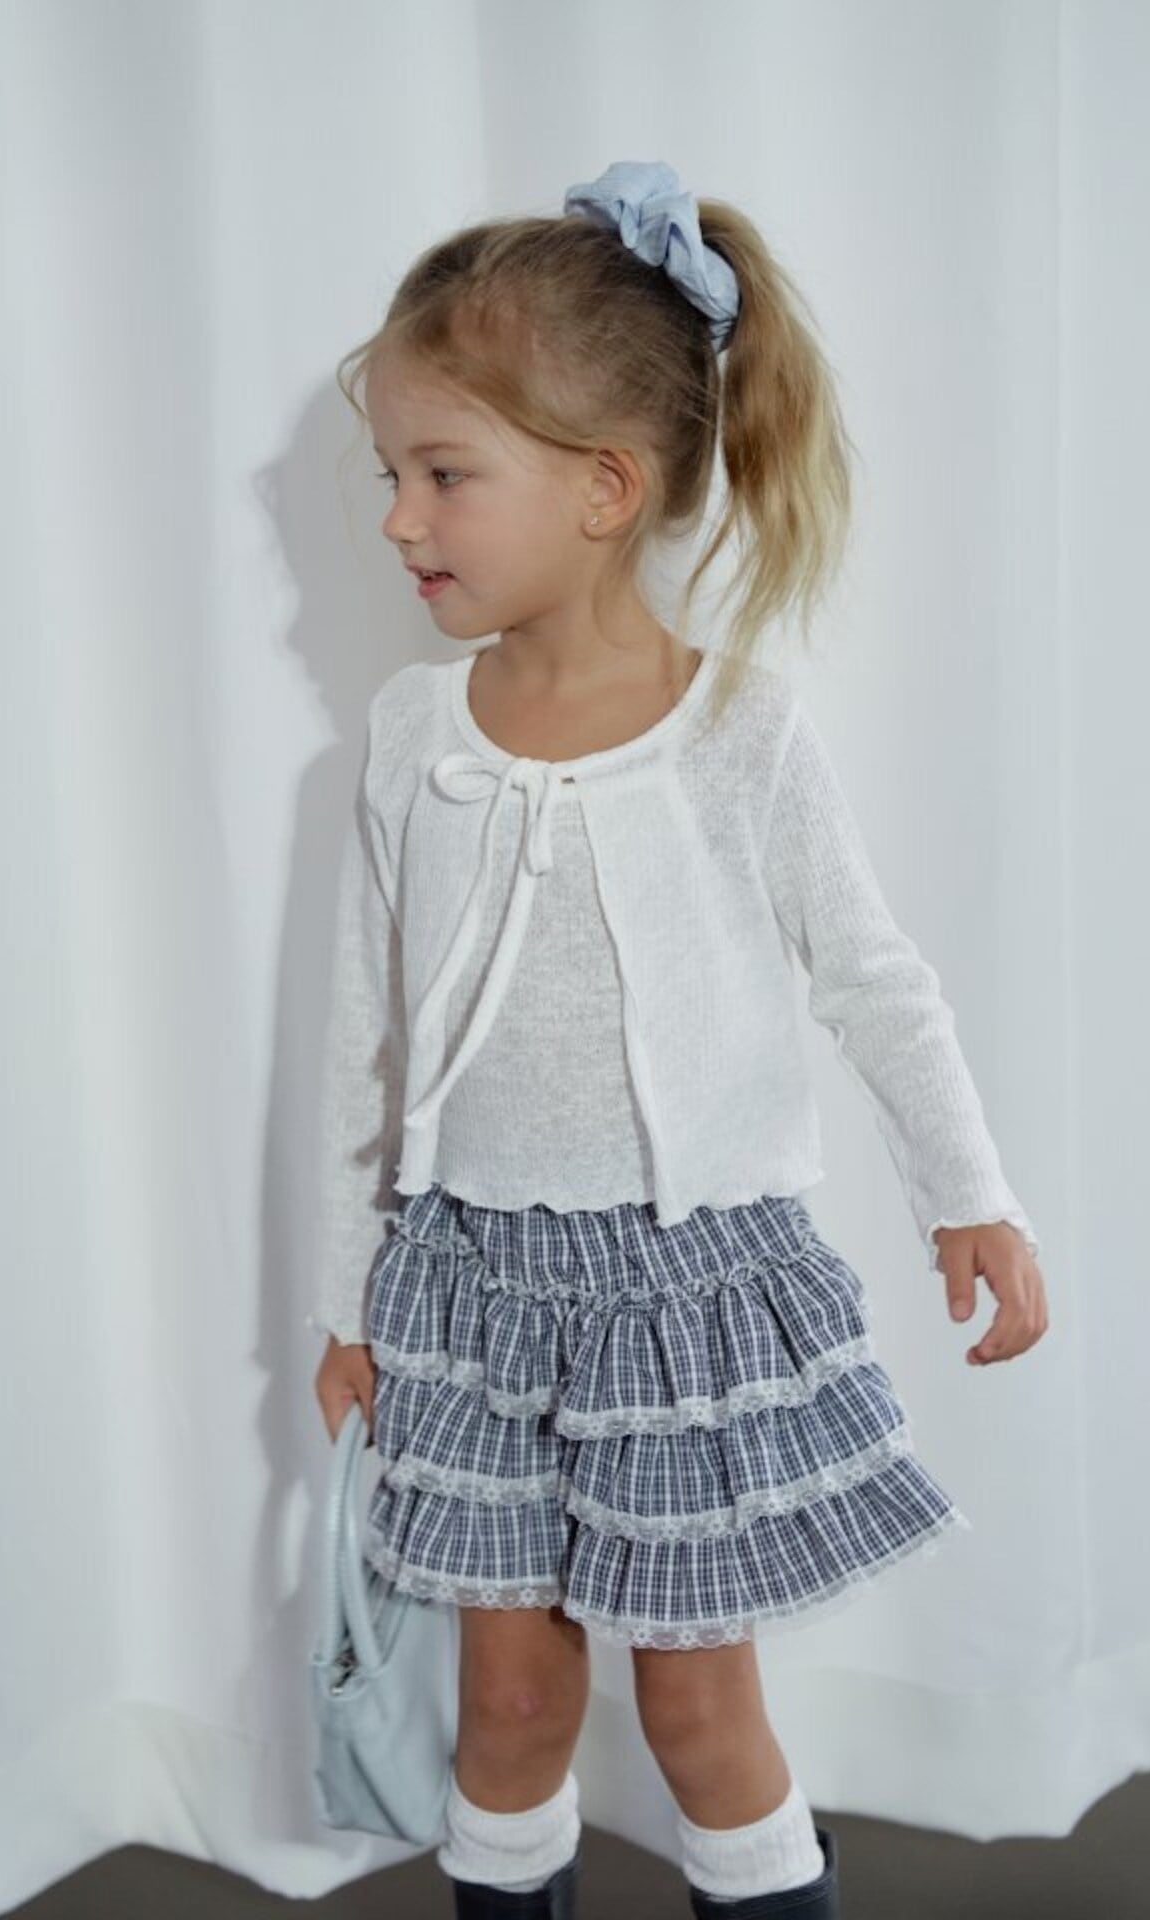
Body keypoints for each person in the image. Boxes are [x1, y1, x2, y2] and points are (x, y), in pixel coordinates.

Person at [309, 160, 1048, 1920]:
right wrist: (348, 1300)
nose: (399, 521)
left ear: (604, 487)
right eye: (388, 475)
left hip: (688, 1298)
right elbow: (362, 1048)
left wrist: (970, 1193)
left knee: (702, 1713)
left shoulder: (741, 735)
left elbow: (874, 977)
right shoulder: (412, 733)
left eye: (441, 474)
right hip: (475, 1291)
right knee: (508, 1706)